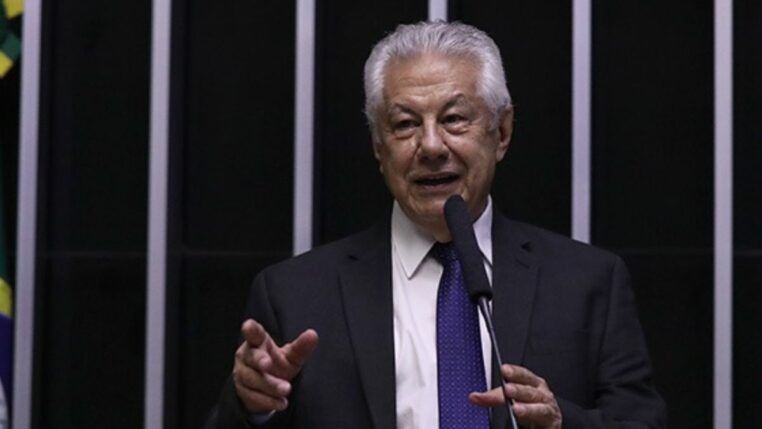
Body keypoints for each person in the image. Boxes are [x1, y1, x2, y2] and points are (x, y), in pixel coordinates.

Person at [207, 21, 666, 428]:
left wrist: (562, 422)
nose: (430, 146)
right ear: (378, 146)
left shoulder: (588, 283)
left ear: (502, 132)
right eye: (405, 124)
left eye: (454, 119)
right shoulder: (294, 295)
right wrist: (252, 406)